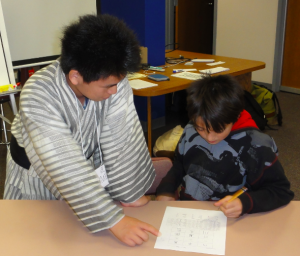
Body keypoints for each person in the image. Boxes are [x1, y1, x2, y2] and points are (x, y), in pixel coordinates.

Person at [4, 14, 160, 246]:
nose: (115, 91)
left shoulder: (111, 77)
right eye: (108, 86)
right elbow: (62, 160)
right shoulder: (38, 93)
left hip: (85, 173)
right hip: (38, 176)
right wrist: (114, 221)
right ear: (75, 76)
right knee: (38, 242)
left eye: (119, 82)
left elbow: (122, 137)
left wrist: (130, 191)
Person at [156, 75, 294, 218]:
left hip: (231, 218)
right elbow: (180, 163)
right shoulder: (191, 129)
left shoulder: (257, 145)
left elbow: (280, 191)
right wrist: (167, 188)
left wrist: (244, 203)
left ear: (235, 117)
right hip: (191, 212)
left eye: (219, 130)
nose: (210, 138)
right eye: (201, 129)